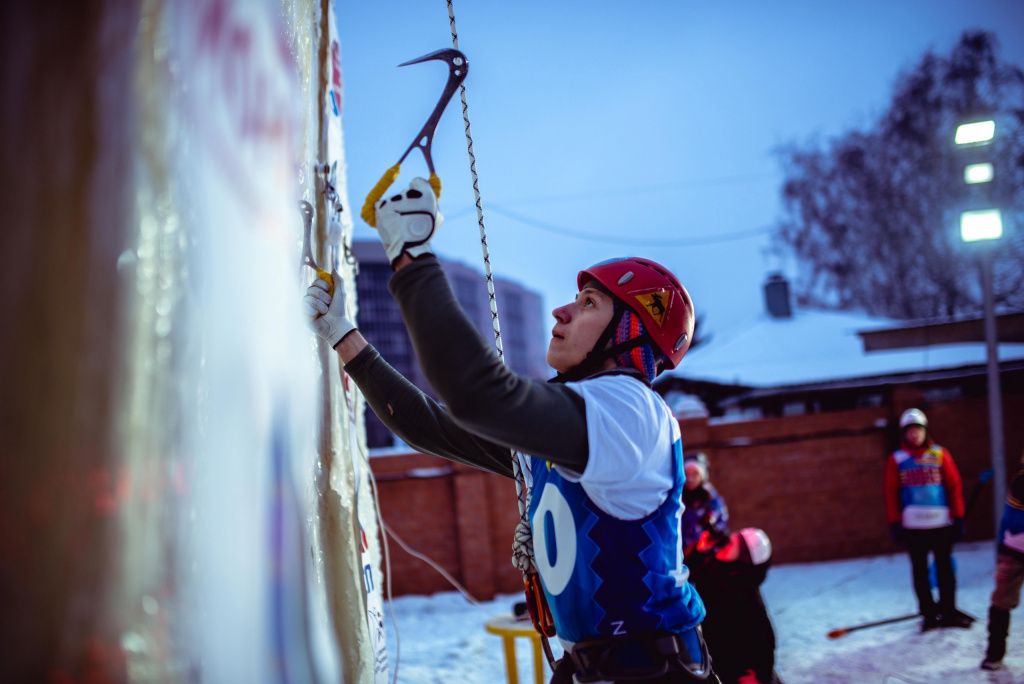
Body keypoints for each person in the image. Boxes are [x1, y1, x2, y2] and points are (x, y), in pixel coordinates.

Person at [304, 178, 716, 683]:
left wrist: (412, 256)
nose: (562, 311)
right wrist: (343, 336)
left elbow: (479, 395)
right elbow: (428, 425)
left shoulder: (629, 410)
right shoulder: (579, 423)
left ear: (630, 333)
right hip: (604, 668)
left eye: (589, 303)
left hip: (653, 671)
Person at [884, 407, 969, 631]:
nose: (914, 435)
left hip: (940, 523)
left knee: (945, 571)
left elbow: (954, 486)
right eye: (910, 431)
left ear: (925, 431)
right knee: (919, 572)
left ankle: (949, 612)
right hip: (913, 526)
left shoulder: (940, 454)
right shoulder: (897, 459)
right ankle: (929, 614)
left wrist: (958, 516)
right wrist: (894, 522)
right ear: (904, 433)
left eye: (918, 430)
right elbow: (891, 492)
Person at [687, 528, 781, 684]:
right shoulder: (714, 570)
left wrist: (759, 675)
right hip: (712, 659)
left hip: (734, 668)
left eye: (731, 545)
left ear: (743, 558)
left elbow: (765, 638)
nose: (725, 544)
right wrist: (699, 551)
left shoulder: (746, 594)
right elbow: (687, 574)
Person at [981, 462, 1024, 671]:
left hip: (1012, 546)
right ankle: (994, 654)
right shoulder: (1020, 482)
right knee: (1001, 601)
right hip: (1014, 550)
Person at [682, 452, 730, 554]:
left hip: (705, 554)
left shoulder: (711, 499)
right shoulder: (677, 498)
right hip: (682, 555)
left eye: (695, 473)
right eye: (686, 474)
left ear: (703, 476)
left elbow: (722, 524)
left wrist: (714, 529)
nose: (690, 478)